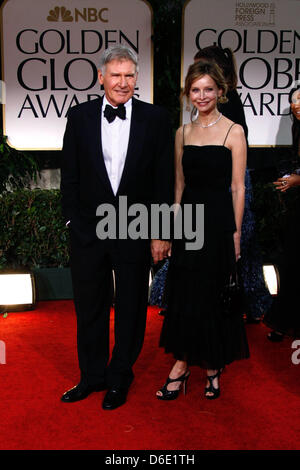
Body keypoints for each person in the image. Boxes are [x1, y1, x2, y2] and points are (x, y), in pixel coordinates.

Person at [60, 44, 173, 410]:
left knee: (130, 305)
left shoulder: (155, 119)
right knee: (89, 306)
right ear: (101, 77)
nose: (122, 82)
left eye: (129, 75)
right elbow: (70, 177)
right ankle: (92, 376)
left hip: (135, 228)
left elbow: (162, 179)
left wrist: (160, 231)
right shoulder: (78, 118)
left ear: (136, 79)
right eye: (116, 75)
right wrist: (72, 222)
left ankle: (119, 376)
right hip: (88, 232)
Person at [156, 60, 249, 401]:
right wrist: (171, 230)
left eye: (208, 88)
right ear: (188, 94)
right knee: (185, 295)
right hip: (188, 226)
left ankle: (211, 366)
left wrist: (235, 234)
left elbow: (238, 188)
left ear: (221, 92)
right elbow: (179, 187)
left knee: (212, 296)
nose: (202, 95)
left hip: (219, 224)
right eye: (195, 89)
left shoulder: (233, 131)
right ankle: (181, 364)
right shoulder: (182, 133)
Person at [194, 46, 272, 323]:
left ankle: (240, 302)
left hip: (231, 181)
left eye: (202, 68)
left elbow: (227, 147)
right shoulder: (221, 99)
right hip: (226, 179)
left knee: (238, 242)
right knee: (240, 246)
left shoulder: (227, 101)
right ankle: (249, 304)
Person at [264, 85, 300, 341]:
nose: (296, 104)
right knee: (291, 263)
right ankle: (285, 321)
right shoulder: (296, 129)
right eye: (293, 100)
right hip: (297, 208)